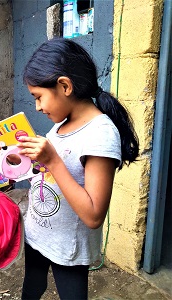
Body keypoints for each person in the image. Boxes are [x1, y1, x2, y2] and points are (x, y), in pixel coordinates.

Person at [17, 38, 139, 299]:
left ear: (64, 86)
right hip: (38, 234)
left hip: (68, 248)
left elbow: (94, 215)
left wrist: (52, 161)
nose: (37, 107)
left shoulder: (101, 134)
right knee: (32, 287)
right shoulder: (61, 124)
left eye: (39, 97)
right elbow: (55, 173)